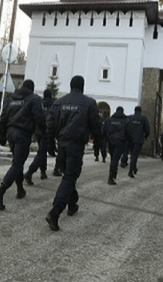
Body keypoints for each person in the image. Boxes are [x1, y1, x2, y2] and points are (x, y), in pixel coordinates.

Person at [44, 75, 104, 231]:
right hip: (75, 146)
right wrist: (98, 143)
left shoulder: (58, 103)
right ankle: (55, 211)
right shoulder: (89, 103)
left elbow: (49, 125)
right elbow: (96, 127)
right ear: (82, 86)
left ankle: (72, 203)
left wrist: (51, 144)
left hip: (62, 145)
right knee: (70, 177)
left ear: (70, 86)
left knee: (68, 175)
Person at [0, 80, 45, 210]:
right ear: (32, 89)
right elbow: (39, 118)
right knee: (17, 164)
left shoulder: (11, 99)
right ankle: (0, 191)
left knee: (17, 162)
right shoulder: (34, 99)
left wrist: (2, 136)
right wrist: (44, 132)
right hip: (23, 135)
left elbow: (3, 117)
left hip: (11, 134)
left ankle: (20, 189)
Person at [24, 89, 55, 184]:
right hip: (47, 131)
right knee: (41, 153)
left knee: (42, 151)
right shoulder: (53, 105)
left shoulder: (40, 103)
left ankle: (43, 172)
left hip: (38, 131)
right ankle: (30, 172)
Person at [104, 106, 129, 185]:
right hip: (120, 142)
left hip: (111, 142)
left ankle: (113, 174)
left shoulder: (109, 120)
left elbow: (104, 129)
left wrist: (106, 139)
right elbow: (128, 131)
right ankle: (111, 177)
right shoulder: (126, 121)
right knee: (115, 159)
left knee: (113, 158)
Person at [126, 106, 150, 178]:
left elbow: (126, 127)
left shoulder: (130, 118)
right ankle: (131, 170)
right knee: (135, 156)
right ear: (140, 111)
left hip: (130, 139)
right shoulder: (143, 118)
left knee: (132, 155)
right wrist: (145, 136)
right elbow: (147, 129)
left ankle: (134, 168)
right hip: (138, 140)